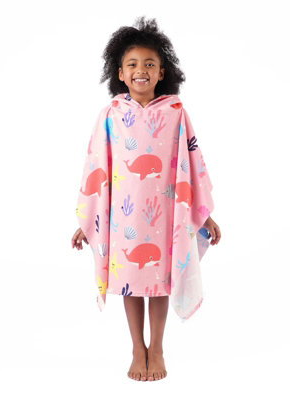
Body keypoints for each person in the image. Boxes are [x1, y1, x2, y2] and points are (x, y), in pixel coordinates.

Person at [71, 16, 221, 382]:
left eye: (150, 64)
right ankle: (137, 347)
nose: (141, 70)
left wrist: (203, 214)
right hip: (123, 218)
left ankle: (158, 346)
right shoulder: (110, 115)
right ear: (120, 73)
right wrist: (88, 222)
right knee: (131, 282)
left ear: (162, 72)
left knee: (160, 281)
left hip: (166, 214)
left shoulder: (176, 113)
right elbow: (96, 167)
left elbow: (191, 163)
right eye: (133, 64)